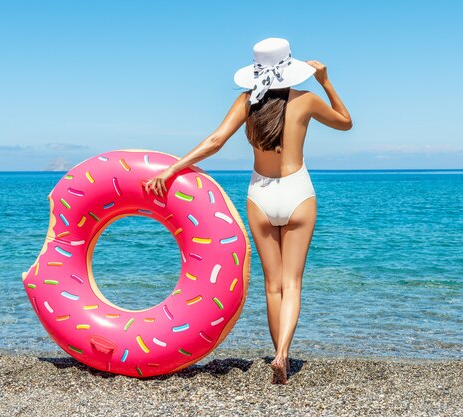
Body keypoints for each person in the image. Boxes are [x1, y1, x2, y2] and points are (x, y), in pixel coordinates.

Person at [144, 38, 352, 384]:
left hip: (260, 195)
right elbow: (345, 122)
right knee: (292, 283)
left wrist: (172, 169)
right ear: (290, 66)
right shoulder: (305, 100)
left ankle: (276, 354)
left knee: (272, 285)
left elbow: (214, 141)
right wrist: (326, 82)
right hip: (298, 192)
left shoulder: (246, 101)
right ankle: (284, 354)